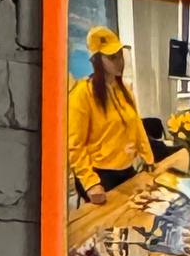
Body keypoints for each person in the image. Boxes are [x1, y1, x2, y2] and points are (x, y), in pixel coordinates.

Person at [67, 24, 157, 201]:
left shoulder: (125, 90)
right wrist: (91, 182)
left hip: (126, 169)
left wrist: (148, 158)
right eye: (112, 57)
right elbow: (75, 145)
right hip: (99, 174)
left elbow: (137, 127)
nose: (119, 61)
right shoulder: (82, 94)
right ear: (97, 60)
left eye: (120, 55)